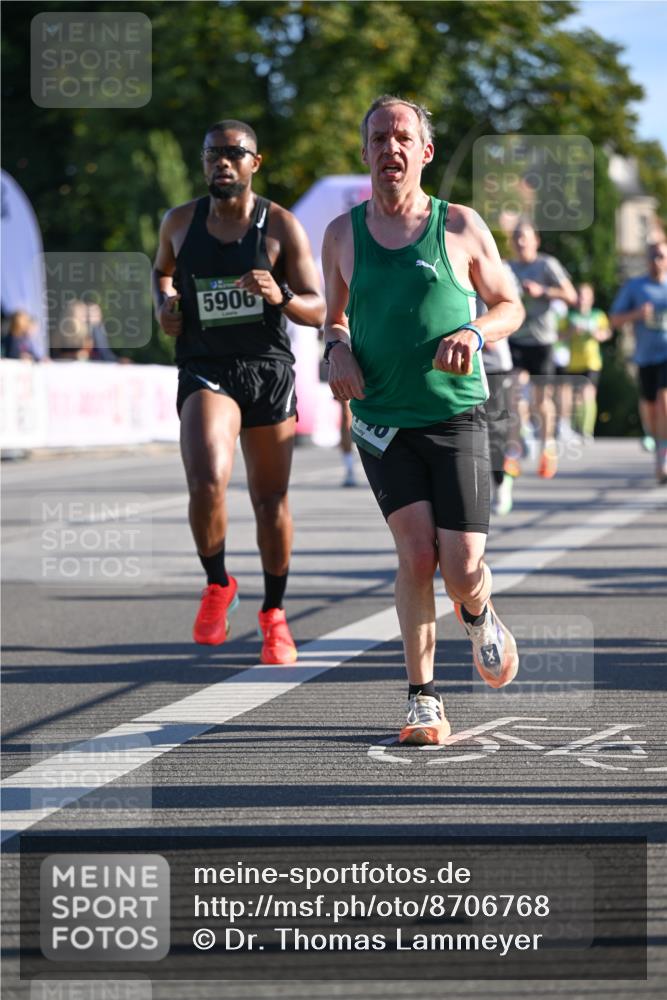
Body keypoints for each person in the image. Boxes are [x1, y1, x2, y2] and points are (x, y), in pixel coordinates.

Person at [322, 95, 524, 746]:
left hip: (455, 413)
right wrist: (335, 349)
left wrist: (473, 330)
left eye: (403, 137)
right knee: (414, 554)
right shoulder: (341, 233)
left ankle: (478, 610)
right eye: (379, 138)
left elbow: (510, 305)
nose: (391, 148)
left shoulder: (459, 224)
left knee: (460, 566)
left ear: (424, 151)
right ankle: (423, 698)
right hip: (381, 420)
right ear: (365, 152)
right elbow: (334, 317)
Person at [152, 120, 325, 660]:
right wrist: (164, 306)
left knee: (270, 500)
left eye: (234, 153)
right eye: (212, 154)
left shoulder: (282, 226)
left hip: (267, 370)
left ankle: (274, 613)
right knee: (207, 480)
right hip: (206, 366)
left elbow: (318, 308)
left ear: (255, 162)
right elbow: (162, 273)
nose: (221, 162)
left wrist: (282, 295)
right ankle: (217, 582)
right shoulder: (180, 222)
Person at [508, 222, 577, 478]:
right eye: (516, 237)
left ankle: (548, 447)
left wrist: (543, 291)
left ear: (535, 240)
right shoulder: (508, 268)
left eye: (525, 237)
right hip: (516, 339)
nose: (520, 242)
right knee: (515, 392)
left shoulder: (547, 265)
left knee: (540, 400)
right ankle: (515, 449)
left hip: (542, 341)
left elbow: (571, 296)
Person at [610, 240, 667, 484]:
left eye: (661, 256)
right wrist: (637, 314)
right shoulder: (635, 287)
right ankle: (657, 443)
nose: (656, 261)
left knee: (664, 400)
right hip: (645, 356)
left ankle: (663, 456)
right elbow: (614, 320)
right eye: (653, 256)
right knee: (650, 407)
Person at [560, 282, 611, 440]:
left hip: (591, 362)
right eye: (580, 296)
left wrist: (598, 334)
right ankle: (573, 428)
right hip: (573, 363)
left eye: (585, 296)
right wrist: (571, 332)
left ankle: (586, 430)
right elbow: (558, 335)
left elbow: (607, 333)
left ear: (591, 299)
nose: (582, 299)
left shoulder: (598, 315)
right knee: (573, 397)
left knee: (588, 392)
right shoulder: (570, 316)